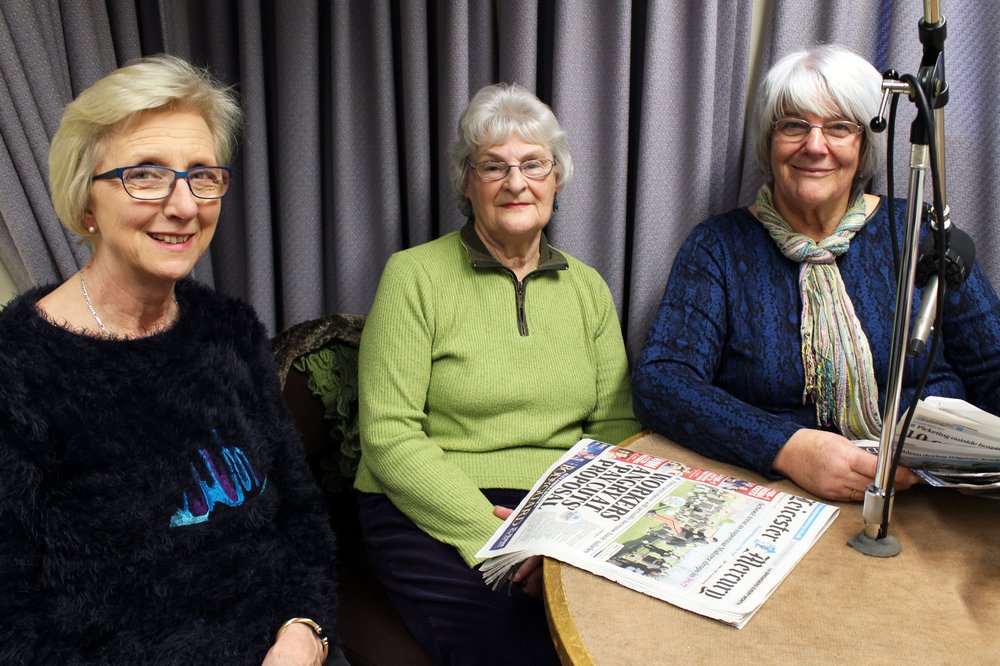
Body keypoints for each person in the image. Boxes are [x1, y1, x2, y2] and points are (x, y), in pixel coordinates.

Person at [0, 55, 343, 664]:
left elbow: (302, 515)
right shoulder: (16, 370)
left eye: (202, 175)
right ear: (86, 202)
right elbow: (13, 627)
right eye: (147, 175)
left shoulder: (230, 331)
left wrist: (305, 629)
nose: (184, 205)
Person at [632, 44, 1000, 503]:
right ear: (769, 140)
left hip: (929, 497)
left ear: (865, 143)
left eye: (839, 128)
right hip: (781, 496)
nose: (814, 145)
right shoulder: (719, 247)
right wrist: (787, 447)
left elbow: (994, 366)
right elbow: (662, 382)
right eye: (794, 125)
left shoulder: (919, 232)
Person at [356, 82, 639, 664]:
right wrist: (496, 542)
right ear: (466, 183)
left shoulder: (588, 288)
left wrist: (564, 533)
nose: (516, 182)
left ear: (556, 178)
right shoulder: (414, 276)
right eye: (493, 167)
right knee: (515, 643)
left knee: (626, 631)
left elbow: (615, 427)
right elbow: (389, 437)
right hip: (432, 504)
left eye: (534, 163)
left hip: (558, 506)